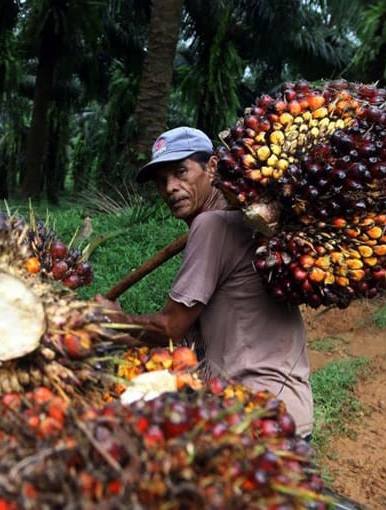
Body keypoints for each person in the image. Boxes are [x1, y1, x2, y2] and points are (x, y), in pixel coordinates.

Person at [105, 126, 314, 440]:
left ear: (212, 167)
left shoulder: (212, 224)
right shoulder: (241, 222)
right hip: (282, 413)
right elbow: (185, 339)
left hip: (256, 418)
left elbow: (170, 328)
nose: (171, 188)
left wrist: (111, 322)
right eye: (162, 181)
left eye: (180, 172)